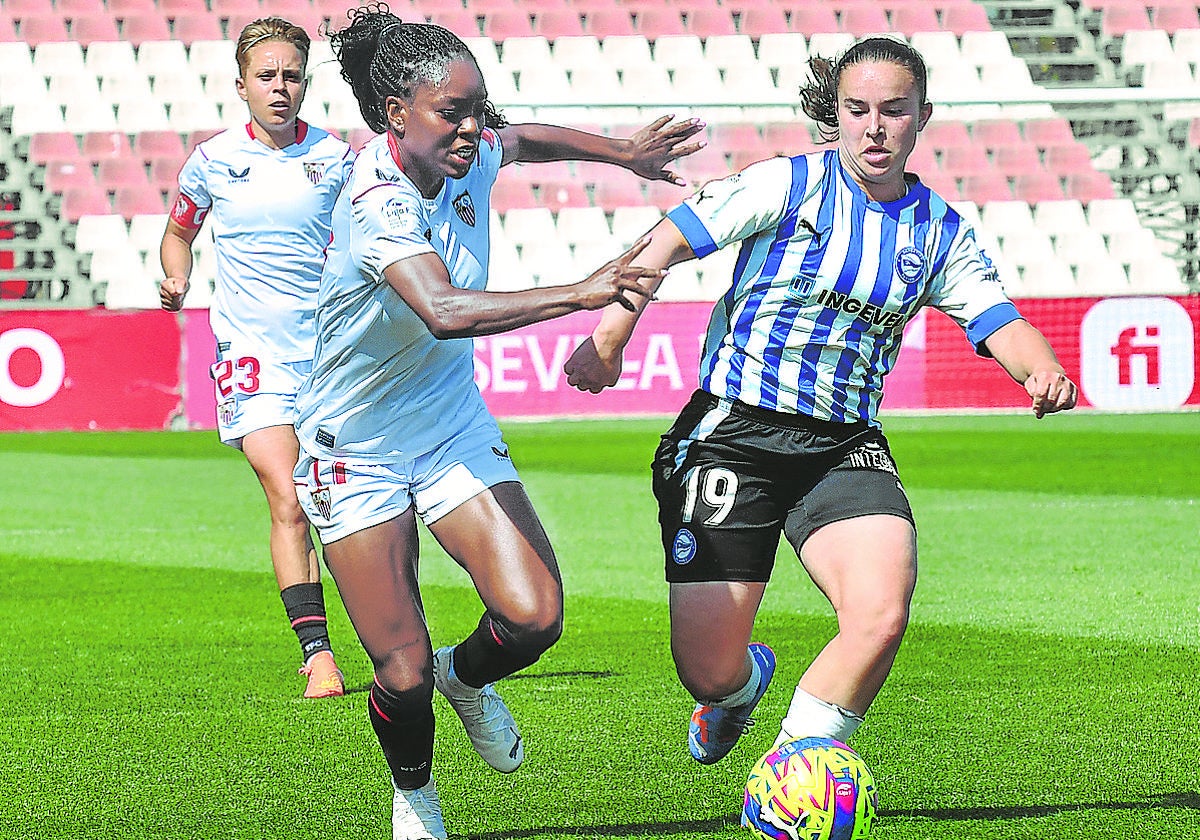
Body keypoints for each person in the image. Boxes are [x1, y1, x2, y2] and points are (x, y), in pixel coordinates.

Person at [564, 35, 1078, 785]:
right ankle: (738, 689)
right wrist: (610, 336)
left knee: (880, 611)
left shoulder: (937, 230)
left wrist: (1042, 369)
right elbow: (666, 241)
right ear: (835, 114)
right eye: (858, 109)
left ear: (922, 117)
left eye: (893, 111)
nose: (874, 127)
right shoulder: (787, 184)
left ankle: (793, 772)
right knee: (708, 670)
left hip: (843, 446)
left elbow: (994, 315)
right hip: (733, 435)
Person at [289, 7, 703, 838]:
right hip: (355, 449)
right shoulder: (376, 200)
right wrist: (580, 292)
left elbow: (526, 139)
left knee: (536, 615)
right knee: (399, 675)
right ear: (394, 112)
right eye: (454, 113)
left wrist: (625, 154)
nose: (476, 128)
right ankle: (415, 796)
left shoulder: (465, 149)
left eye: (479, 107)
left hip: (445, 427)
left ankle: (468, 678)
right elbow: (442, 309)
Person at [159, 18, 354, 699]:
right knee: (288, 492)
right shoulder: (213, 160)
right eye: (267, 75)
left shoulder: (337, 157)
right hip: (251, 350)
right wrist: (176, 278)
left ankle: (386, 631)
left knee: (340, 500)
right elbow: (178, 233)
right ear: (241, 85)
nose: (280, 86)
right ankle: (317, 652)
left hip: (329, 352)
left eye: (292, 74)